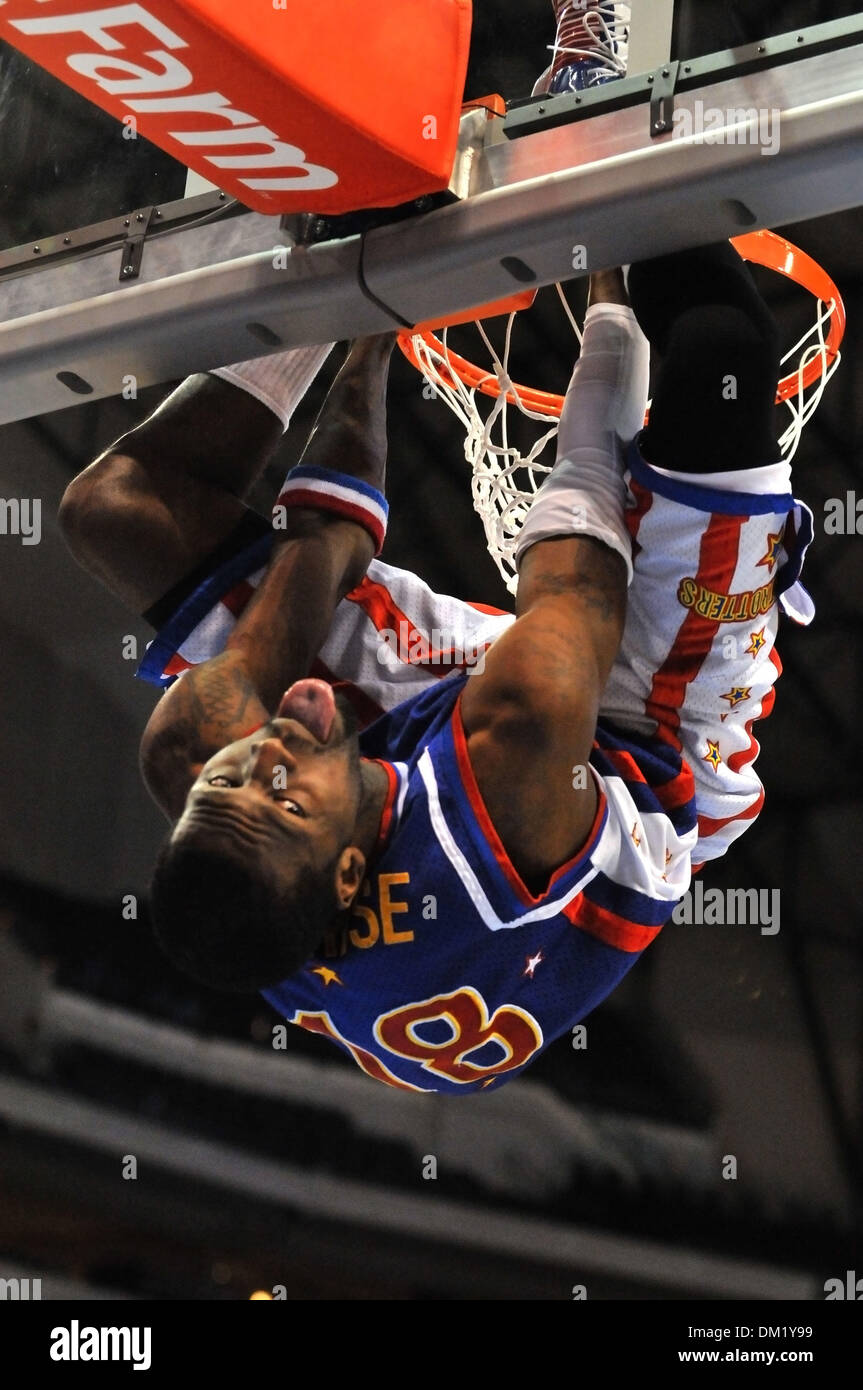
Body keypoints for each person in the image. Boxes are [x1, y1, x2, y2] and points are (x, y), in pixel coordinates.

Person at [59, 244, 813, 1094]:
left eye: (231, 779)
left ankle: (326, 233)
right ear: (351, 873)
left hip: (416, 750)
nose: (265, 754)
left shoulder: (216, 778)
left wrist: (366, 298)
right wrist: (609, 277)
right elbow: (580, 578)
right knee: (721, 353)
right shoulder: (512, 760)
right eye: (284, 793)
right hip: (631, 744)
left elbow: (326, 538)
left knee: (116, 512)